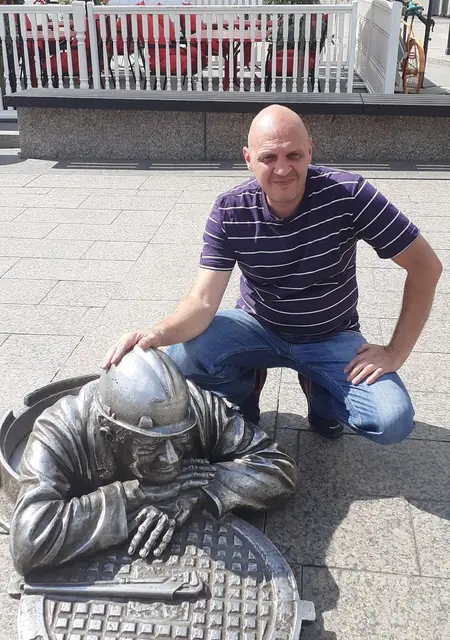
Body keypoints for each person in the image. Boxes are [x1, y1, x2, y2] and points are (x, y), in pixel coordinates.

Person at [102, 105, 442, 446]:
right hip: (257, 326)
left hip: (330, 334)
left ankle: (321, 394)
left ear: (310, 149)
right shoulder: (231, 210)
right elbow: (202, 300)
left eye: (293, 155)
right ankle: (245, 391)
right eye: (268, 157)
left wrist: (395, 351)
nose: (282, 169)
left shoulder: (349, 194)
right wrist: (156, 333)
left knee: (391, 421)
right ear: (248, 159)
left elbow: (426, 266)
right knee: (182, 359)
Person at [10, 347, 298, 575]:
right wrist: (136, 494)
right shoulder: (58, 431)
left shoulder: (195, 407)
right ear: (109, 436)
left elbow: (278, 468)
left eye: (180, 440)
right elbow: (28, 541)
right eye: (151, 446)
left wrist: (195, 492)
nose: (172, 457)